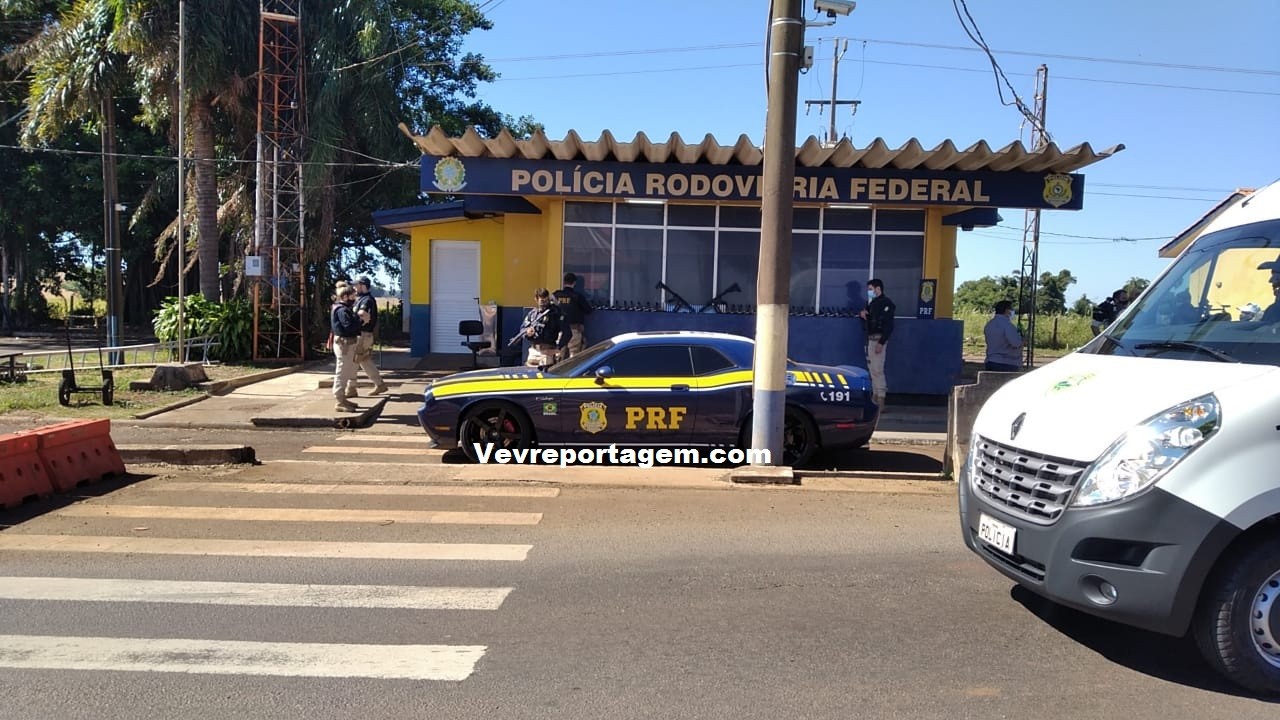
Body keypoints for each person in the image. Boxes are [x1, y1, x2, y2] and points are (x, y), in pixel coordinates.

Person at [345, 276, 388, 397]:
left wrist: (354, 323)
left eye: (356, 285)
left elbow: (363, 314)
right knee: (364, 360)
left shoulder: (367, 300)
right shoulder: (363, 299)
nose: (354, 287)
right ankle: (379, 384)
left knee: (354, 360)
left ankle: (351, 388)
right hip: (364, 335)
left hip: (363, 334)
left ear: (363, 285)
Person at [858, 278, 894, 408]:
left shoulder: (886, 303)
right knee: (872, 370)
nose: (869, 292)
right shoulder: (871, 303)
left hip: (878, 339)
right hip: (870, 339)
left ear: (878, 289)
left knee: (878, 369)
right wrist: (863, 315)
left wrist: (881, 342)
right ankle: (875, 395)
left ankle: (881, 398)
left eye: (870, 289)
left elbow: (888, 325)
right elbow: (868, 319)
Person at [330, 284, 363, 412]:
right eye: (352, 296)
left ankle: (343, 399)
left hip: (346, 344)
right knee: (342, 372)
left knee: (346, 371)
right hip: (344, 344)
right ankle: (339, 400)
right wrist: (361, 321)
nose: (354, 299)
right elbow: (348, 326)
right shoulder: (342, 310)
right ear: (344, 297)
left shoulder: (341, 308)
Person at [517, 288, 569, 368]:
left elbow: (567, 333)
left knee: (546, 372)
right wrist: (528, 332)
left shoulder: (555, 313)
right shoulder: (533, 314)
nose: (544, 303)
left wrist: (558, 348)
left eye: (546, 300)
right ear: (536, 299)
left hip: (548, 351)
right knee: (530, 372)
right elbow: (523, 329)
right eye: (542, 301)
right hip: (534, 351)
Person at [552, 272, 593, 358]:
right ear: (574, 283)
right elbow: (588, 310)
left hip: (559, 330)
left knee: (559, 354)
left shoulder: (556, 295)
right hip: (573, 329)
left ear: (564, 282)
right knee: (574, 356)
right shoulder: (577, 296)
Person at [983, 300, 1023, 372]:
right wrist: (1023, 341)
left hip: (990, 361)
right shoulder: (1007, 325)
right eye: (1011, 309)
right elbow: (1016, 343)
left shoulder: (989, 324)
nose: (1012, 312)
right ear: (1006, 310)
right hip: (1006, 363)